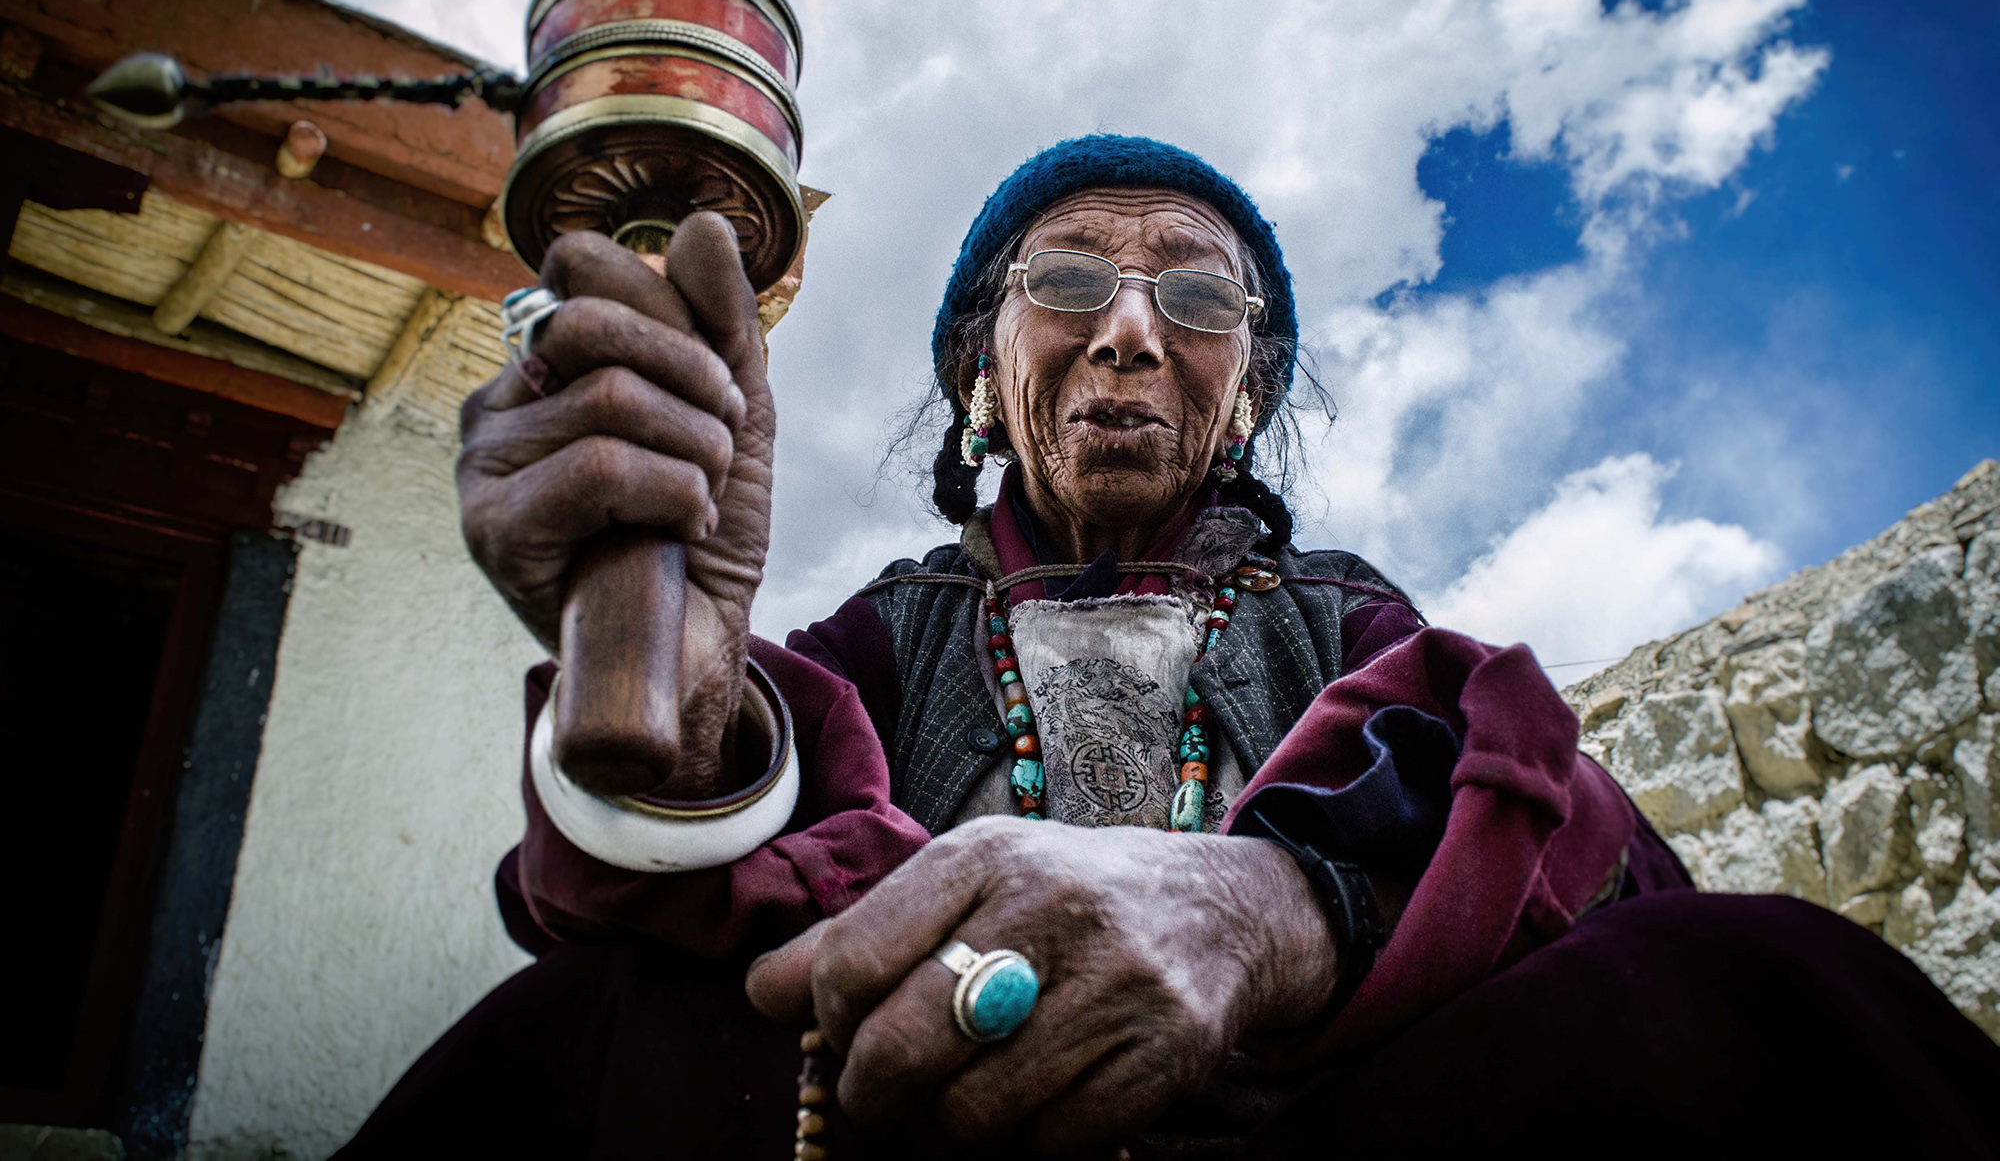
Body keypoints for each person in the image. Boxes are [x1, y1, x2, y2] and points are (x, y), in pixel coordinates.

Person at [340, 136, 2000, 1159]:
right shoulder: (879, 646)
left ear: (1248, 391)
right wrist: (684, 728)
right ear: (987, 380)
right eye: (1068, 280)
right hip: (907, 1143)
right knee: (582, 1037)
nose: (1133, 325)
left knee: (1769, 989)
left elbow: (1581, 844)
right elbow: (681, 895)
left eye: (1197, 303)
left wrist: (1270, 900)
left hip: (1320, 1136)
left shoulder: (1349, 626)